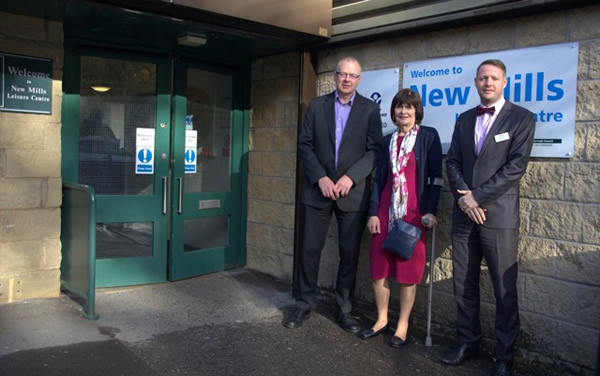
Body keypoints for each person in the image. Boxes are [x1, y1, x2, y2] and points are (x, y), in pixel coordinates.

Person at [442, 59, 535, 376]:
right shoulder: (465, 119)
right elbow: (452, 161)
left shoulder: (522, 118)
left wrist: (476, 197)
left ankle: (504, 358)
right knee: (463, 285)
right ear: (475, 82)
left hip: (499, 217)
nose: (488, 83)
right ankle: (467, 344)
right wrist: (463, 197)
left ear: (505, 82)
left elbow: (515, 167)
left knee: (503, 289)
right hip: (465, 215)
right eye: (482, 78)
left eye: (494, 78)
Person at [283, 57, 383, 333]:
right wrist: (321, 177)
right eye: (342, 74)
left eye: (352, 76)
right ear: (335, 77)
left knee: (349, 255)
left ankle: (345, 309)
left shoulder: (370, 110)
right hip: (319, 191)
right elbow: (305, 145)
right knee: (309, 251)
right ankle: (303, 303)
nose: (347, 79)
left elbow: (374, 151)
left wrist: (351, 177)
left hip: (352, 194)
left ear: (359, 80)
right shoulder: (317, 106)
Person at [359, 88, 442, 348]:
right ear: (393, 111)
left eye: (409, 107)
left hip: (414, 213)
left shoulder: (429, 137)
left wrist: (431, 211)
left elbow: (435, 179)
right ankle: (382, 319)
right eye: (399, 107)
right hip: (385, 211)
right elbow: (378, 180)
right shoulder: (387, 141)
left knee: (408, 271)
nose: (403, 111)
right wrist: (373, 212)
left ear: (417, 111)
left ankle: (403, 324)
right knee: (379, 267)